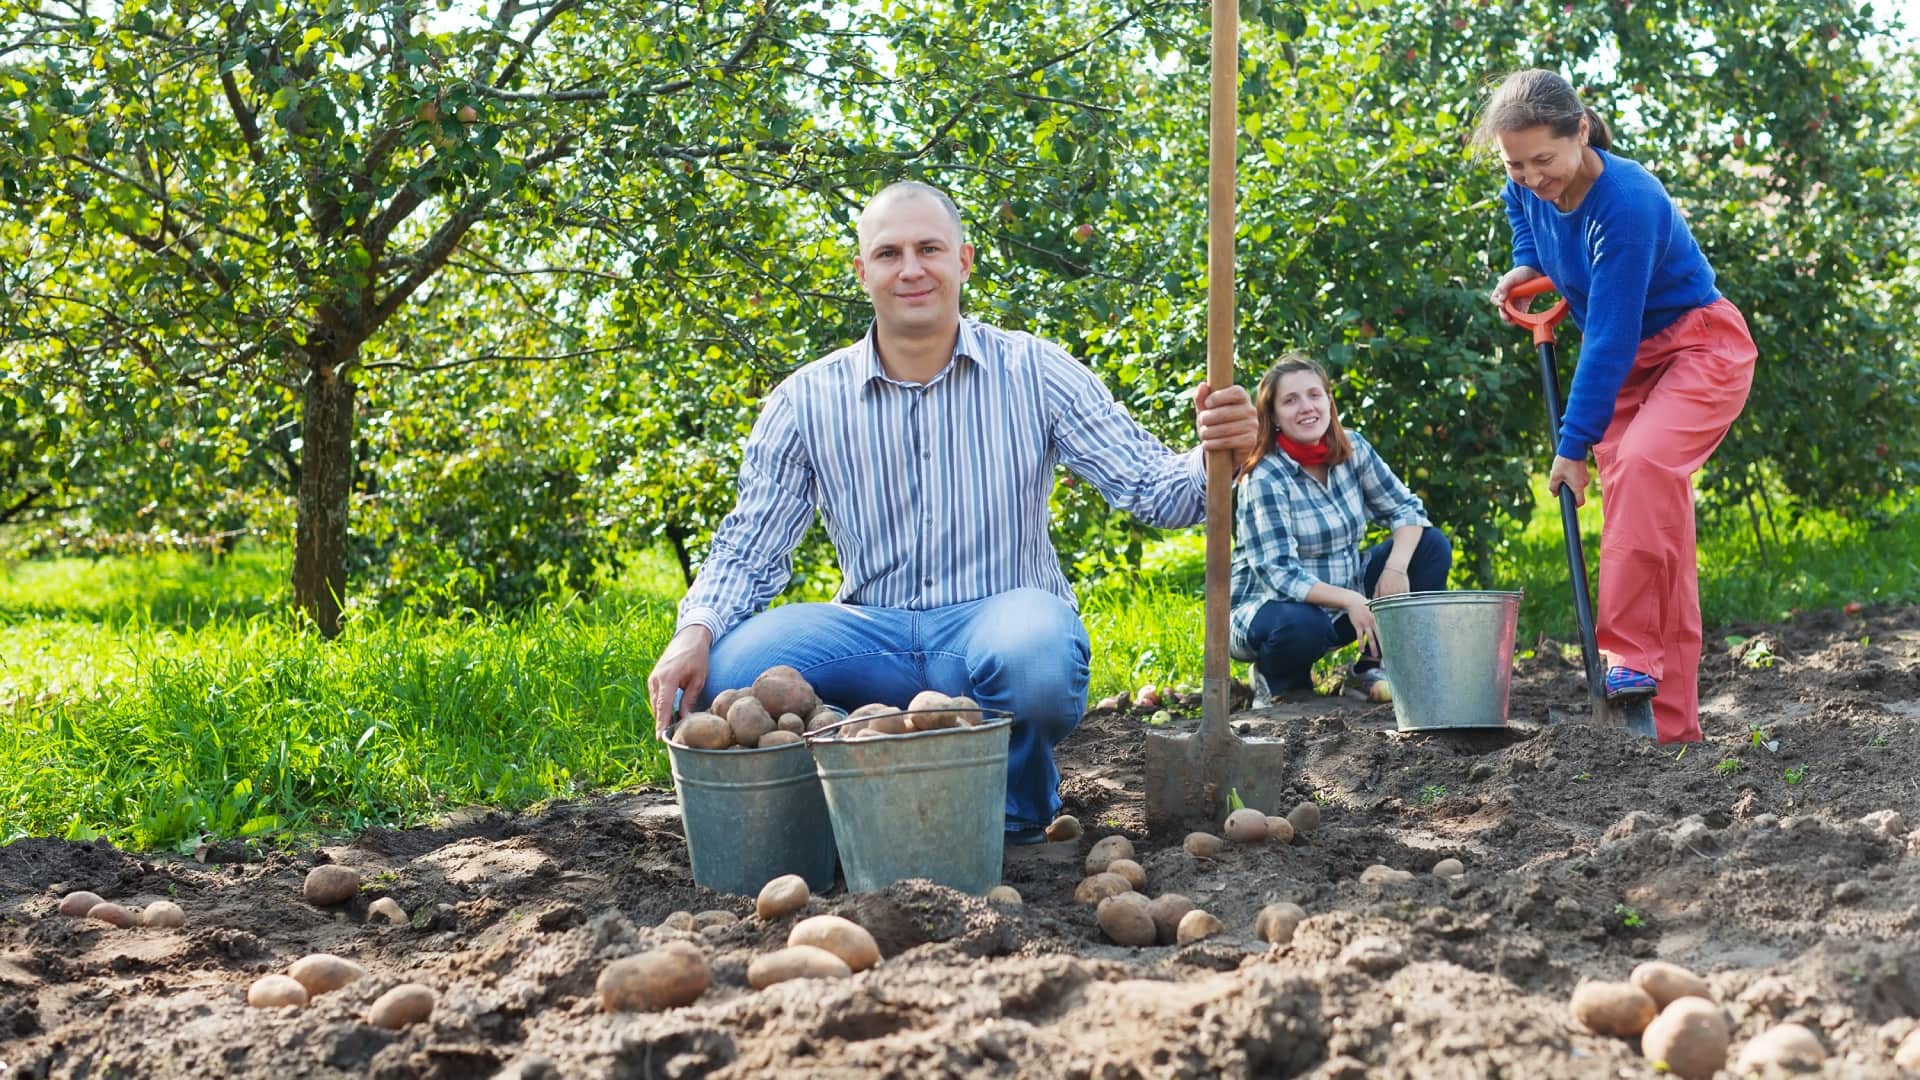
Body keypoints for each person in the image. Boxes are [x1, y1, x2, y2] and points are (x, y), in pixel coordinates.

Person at [645, 181, 1258, 844]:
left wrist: (1219, 454)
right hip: (870, 636)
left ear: (963, 261)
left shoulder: (1035, 370)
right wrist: (695, 630)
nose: (910, 268)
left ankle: (1016, 807)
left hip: (996, 627)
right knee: (732, 673)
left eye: (929, 248)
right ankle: (862, 784)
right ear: (862, 272)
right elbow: (751, 546)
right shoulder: (806, 401)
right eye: (888, 253)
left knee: (1037, 659)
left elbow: (1154, 488)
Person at [1480, 70, 1757, 745]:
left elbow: (1606, 335)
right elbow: (1523, 210)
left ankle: (1627, 657)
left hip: (1698, 352)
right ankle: (1671, 730)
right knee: (1662, 545)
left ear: (1580, 131)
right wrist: (1525, 261)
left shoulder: (1627, 204)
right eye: (1515, 163)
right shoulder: (1525, 182)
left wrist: (1572, 447)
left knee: (1635, 465)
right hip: (1631, 374)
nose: (1531, 176)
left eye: (1544, 160)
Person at [1229, 354, 1451, 704]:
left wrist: (1394, 569)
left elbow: (1407, 510)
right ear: (1271, 416)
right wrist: (1350, 599)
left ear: (1329, 402)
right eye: (1291, 400)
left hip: (1347, 595)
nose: (1307, 408)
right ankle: (1279, 681)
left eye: (1314, 395)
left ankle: (1372, 668)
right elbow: (1279, 573)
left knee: (1431, 546)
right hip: (1273, 609)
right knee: (1302, 625)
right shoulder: (1264, 476)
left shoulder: (1352, 448)